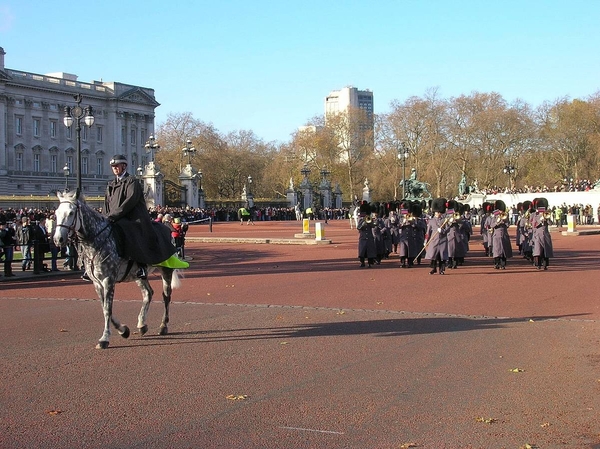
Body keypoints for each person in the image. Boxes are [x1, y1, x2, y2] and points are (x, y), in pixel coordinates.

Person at [102, 154, 187, 280]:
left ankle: (141, 266)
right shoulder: (111, 184)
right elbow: (106, 203)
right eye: (113, 166)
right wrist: (104, 218)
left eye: (117, 166)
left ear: (124, 166)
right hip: (114, 218)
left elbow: (129, 202)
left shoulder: (132, 181)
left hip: (133, 218)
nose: (114, 168)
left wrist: (114, 216)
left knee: (131, 232)